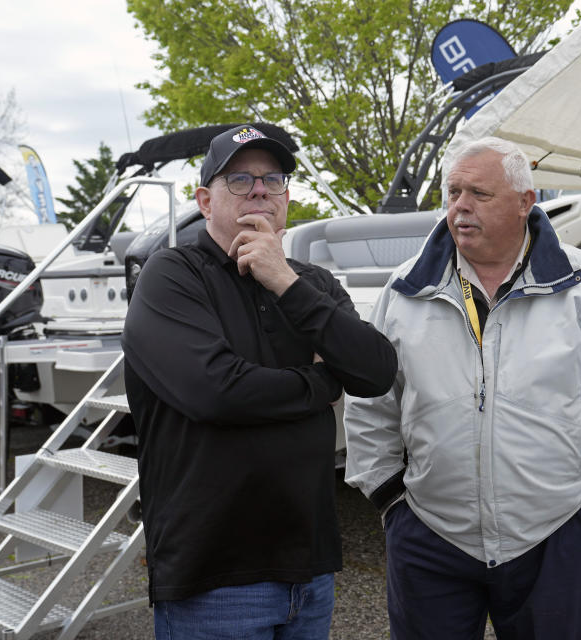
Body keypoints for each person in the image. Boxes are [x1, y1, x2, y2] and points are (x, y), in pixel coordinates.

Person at [343, 137, 581, 639]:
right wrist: (392, 502)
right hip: (431, 537)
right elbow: (371, 399)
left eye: (479, 193)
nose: (460, 206)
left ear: (526, 201)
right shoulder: (406, 287)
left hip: (556, 537)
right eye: (453, 191)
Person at [122, 124, 397, 639]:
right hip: (214, 579)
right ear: (205, 201)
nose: (259, 191)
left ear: (287, 197)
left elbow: (376, 372)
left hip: (310, 571)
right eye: (240, 179)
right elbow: (216, 392)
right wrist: (321, 382)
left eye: (273, 180)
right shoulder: (173, 275)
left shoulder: (309, 283)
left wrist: (284, 281)